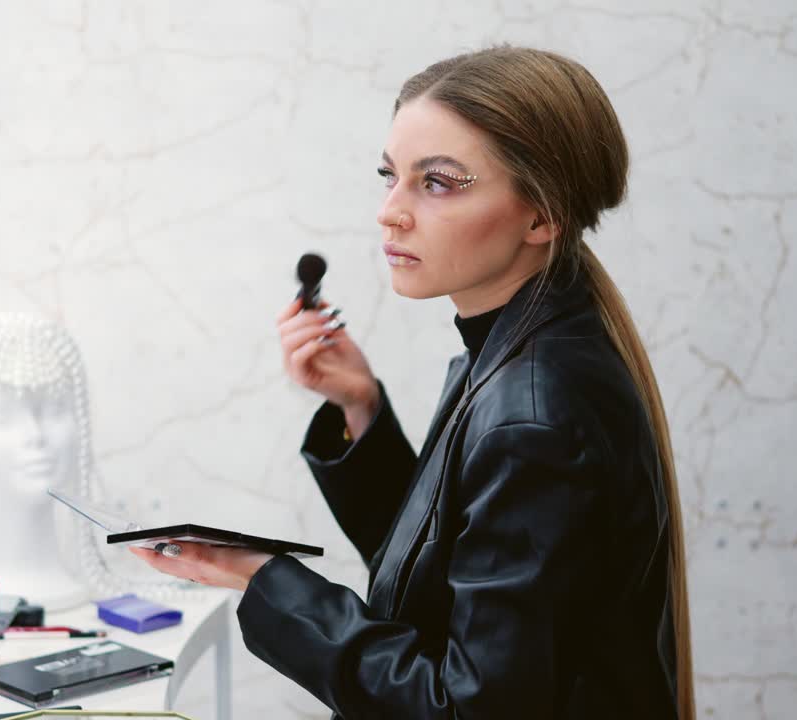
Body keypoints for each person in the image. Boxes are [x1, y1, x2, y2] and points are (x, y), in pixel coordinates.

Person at [130, 45, 694, 719]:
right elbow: (454, 579)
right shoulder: (520, 350)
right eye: (389, 175)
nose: (389, 212)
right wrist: (359, 405)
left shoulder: (533, 412)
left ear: (541, 216)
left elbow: (465, 709)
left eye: (439, 182)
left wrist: (265, 582)